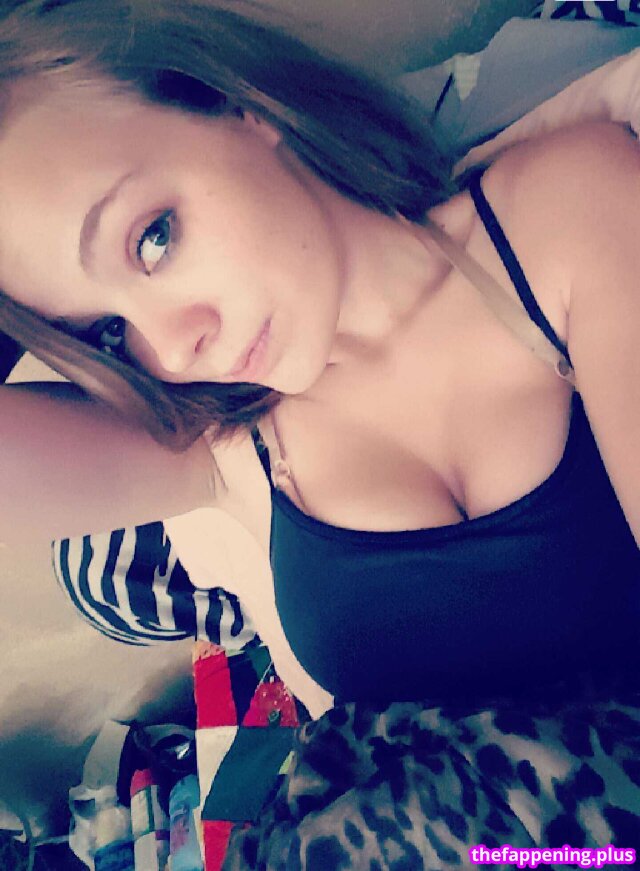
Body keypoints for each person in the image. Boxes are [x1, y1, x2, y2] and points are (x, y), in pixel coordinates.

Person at [0, 0, 638, 866]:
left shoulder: (562, 213)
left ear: (234, 102)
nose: (172, 348)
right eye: (109, 330)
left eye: (153, 239)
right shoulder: (225, 443)